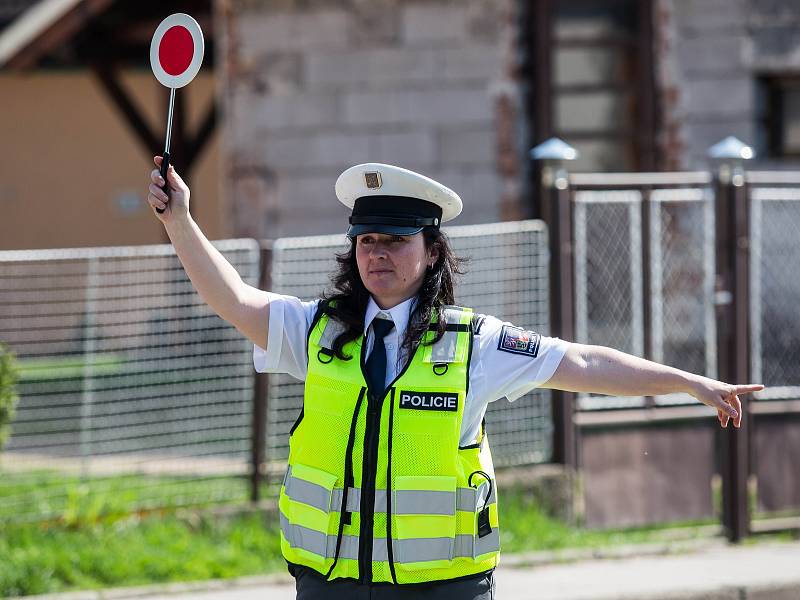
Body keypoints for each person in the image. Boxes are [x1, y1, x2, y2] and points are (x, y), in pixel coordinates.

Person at [147, 158, 763, 600]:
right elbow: (230, 298)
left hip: (441, 589)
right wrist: (179, 220)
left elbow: (582, 363)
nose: (375, 253)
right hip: (328, 582)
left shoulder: (473, 343)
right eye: (365, 240)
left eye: (394, 239)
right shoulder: (316, 330)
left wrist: (691, 383)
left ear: (433, 250)